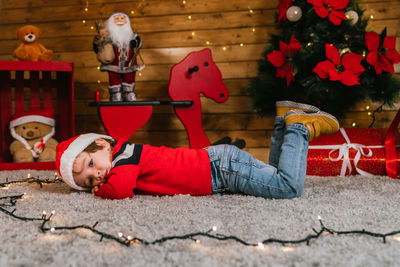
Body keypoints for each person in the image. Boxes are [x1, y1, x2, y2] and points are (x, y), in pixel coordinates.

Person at [55, 101, 339, 200]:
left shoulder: (125, 156)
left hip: (220, 170)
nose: (98, 176)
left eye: (92, 164)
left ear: (103, 143)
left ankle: (298, 128)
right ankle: (284, 120)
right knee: (275, 176)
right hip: (219, 162)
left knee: (287, 188)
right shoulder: (123, 157)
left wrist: (100, 192)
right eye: (90, 181)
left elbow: (121, 190)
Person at [93, 12, 143, 102]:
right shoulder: (109, 36)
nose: (120, 20)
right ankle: (115, 94)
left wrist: (136, 43)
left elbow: (138, 44)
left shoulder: (132, 35)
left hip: (129, 63)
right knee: (114, 77)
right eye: (117, 18)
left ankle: (129, 93)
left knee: (129, 77)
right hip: (114, 64)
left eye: (122, 18)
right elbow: (100, 47)